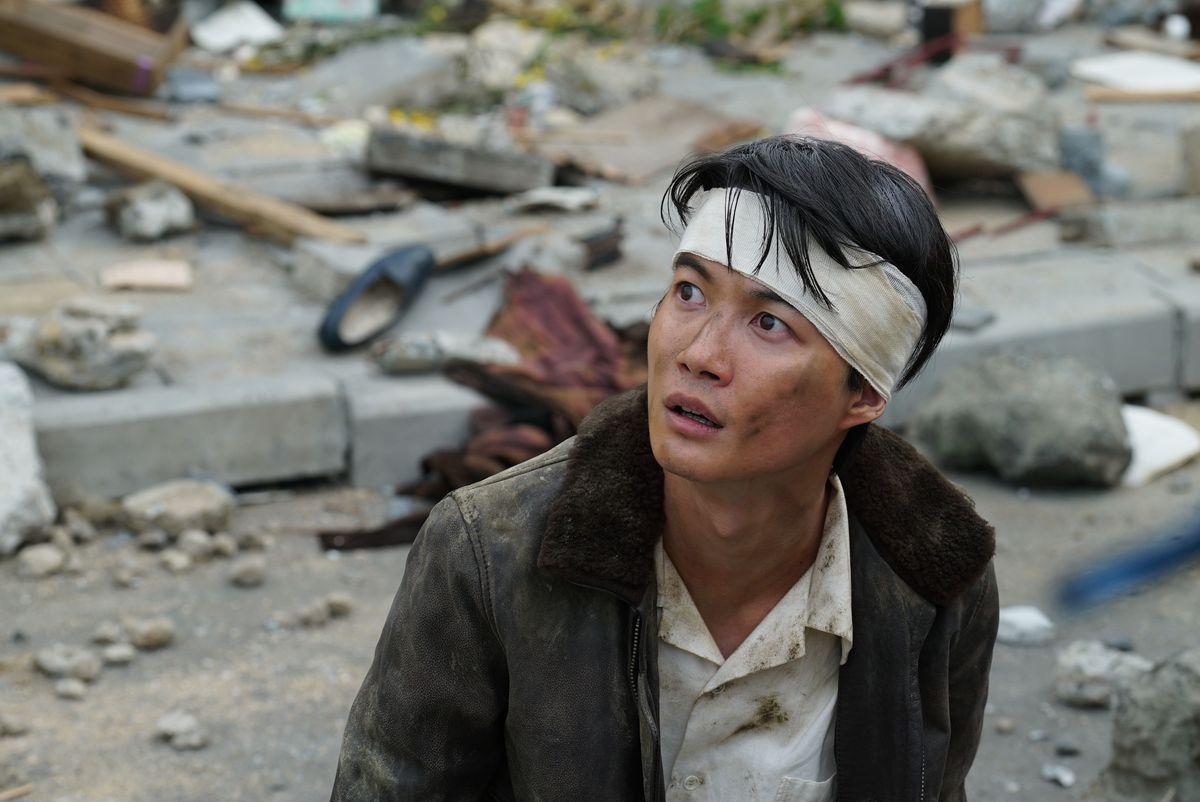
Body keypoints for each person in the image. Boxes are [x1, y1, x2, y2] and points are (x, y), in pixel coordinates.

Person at [330, 135, 998, 802]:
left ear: (865, 395)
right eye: (689, 292)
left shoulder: (935, 576)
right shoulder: (487, 551)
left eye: (770, 324)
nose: (699, 354)